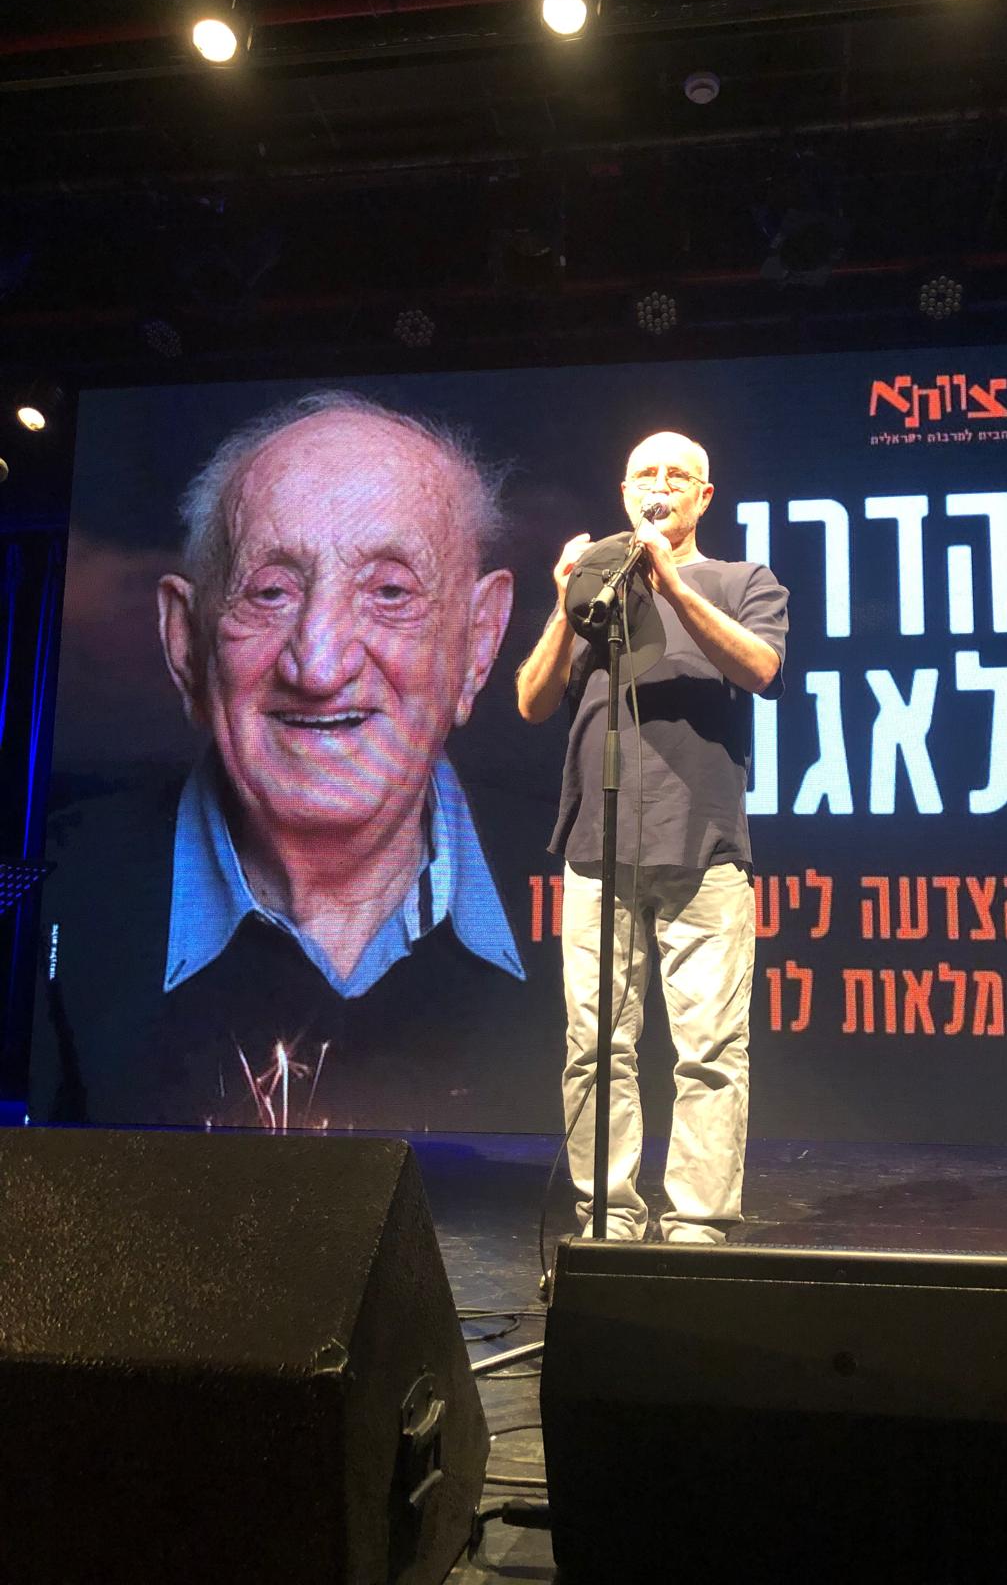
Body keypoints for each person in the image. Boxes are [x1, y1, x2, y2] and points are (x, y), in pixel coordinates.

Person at [30, 391, 548, 1131]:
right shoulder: (47, 895)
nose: (319, 666)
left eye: (390, 591)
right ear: (185, 644)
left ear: (480, 641)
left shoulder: (614, 899)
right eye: (270, 592)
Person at [516, 430, 789, 1243]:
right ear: (624, 491)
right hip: (597, 849)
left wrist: (670, 582)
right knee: (595, 1049)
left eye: (679, 475)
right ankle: (608, 1218)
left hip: (703, 850)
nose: (660, 486)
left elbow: (761, 669)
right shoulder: (596, 592)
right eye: (646, 474)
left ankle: (697, 1226)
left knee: (709, 1051)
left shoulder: (744, 580)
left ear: (705, 496)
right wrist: (566, 600)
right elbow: (532, 701)